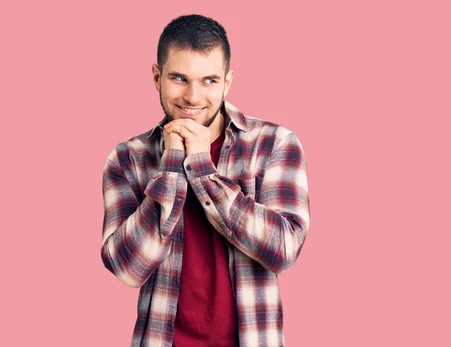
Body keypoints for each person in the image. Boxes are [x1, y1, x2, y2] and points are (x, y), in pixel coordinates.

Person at [101, 14, 310, 347]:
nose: (193, 97)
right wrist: (171, 166)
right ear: (157, 77)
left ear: (227, 82)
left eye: (209, 80)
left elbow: (283, 250)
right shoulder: (128, 159)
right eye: (179, 79)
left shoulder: (274, 144)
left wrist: (201, 169)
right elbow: (128, 269)